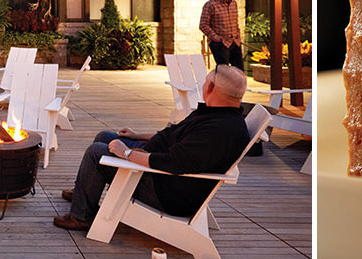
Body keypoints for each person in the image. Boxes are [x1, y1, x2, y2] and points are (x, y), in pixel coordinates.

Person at [53, 64, 251, 231]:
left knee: (96, 152)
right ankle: (84, 191)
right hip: (160, 171)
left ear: (209, 87)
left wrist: (127, 153)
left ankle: (82, 216)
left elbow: (174, 162)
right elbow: (172, 135)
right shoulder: (215, 113)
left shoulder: (219, 131)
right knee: (105, 136)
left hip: (166, 191)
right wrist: (135, 135)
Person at [199, 0, 244, 70]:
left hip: (234, 42)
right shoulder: (210, 5)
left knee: (239, 71)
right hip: (220, 43)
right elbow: (203, 25)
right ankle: (221, 85)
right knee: (223, 71)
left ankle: (237, 85)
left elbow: (236, 22)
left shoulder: (234, 3)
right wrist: (216, 38)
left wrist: (238, 37)